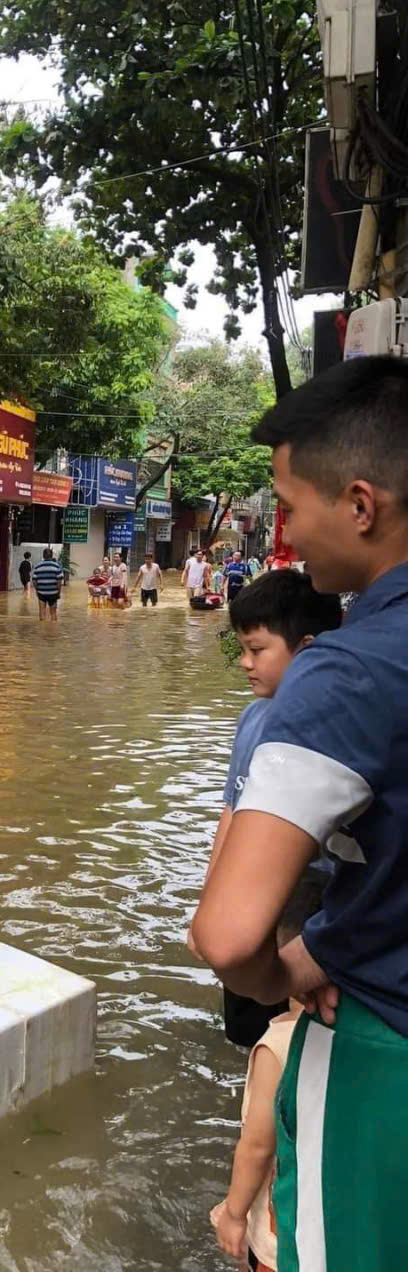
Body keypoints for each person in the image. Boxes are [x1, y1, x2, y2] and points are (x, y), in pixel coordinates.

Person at [192, 358, 408, 1268]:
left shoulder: (345, 673)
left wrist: (288, 974)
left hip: (380, 1051)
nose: (281, 531)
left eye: (291, 504)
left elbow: (229, 935)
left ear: (360, 504)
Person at [188, 571, 342, 1046]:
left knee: (301, 1024)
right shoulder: (253, 718)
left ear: (308, 649)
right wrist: (210, 901)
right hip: (252, 891)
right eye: (243, 651)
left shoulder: (338, 725)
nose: (246, 664)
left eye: (258, 651)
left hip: (312, 896)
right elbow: (233, 811)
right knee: (246, 1027)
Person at [210, 881, 325, 1272]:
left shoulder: (277, 1046)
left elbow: (259, 1146)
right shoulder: (358, 1037)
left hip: (283, 1240)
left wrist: (235, 1213)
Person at [32, 547, 64, 622]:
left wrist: (37, 590)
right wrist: (58, 592)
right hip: (53, 593)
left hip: (41, 593)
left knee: (42, 613)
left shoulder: (38, 566)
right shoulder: (56, 566)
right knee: (53, 613)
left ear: (43, 556)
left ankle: (42, 631)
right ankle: (52, 631)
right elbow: (59, 581)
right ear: (52, 556)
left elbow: (34, 580)